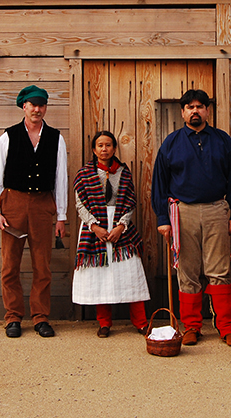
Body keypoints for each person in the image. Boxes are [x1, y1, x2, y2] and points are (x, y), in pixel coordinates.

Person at [151, 88, 231, 347]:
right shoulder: (171, 143)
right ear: (183, 112)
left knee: (219, 271)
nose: (195, 111)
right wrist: (162, 217)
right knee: (188, 271)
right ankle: (191, 326)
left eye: (200, 106)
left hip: (217, 210)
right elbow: (159, 182)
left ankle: (226, 327)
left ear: (207, 110)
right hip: (183, 213)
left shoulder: (222, 140)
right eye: (190, 107)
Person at [0, 85, 68, 339]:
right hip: (13, 204)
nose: (37, 109)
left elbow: (61, 179)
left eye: (41, 104)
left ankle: (40, 317)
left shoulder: (56, 138)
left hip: (43, 205)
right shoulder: (8, 136)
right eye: (32, 104)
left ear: (45, 108)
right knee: (10, 265)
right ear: (24, 106)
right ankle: (13, 317)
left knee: (42, 265)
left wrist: (62, 216)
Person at [71, 131, 150, 337]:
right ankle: (104, 323)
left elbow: (131, 202)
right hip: (94, 229)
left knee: (131, 273)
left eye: (108, 145)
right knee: (100, 275)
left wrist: (121, 226)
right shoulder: (84, 174)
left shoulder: (123, 172)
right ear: (94, 149)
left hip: (120, 228)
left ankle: (141, 322)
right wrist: (94, 226)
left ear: (114, 148)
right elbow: (80, 204)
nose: (104, 149)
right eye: (100, 145)